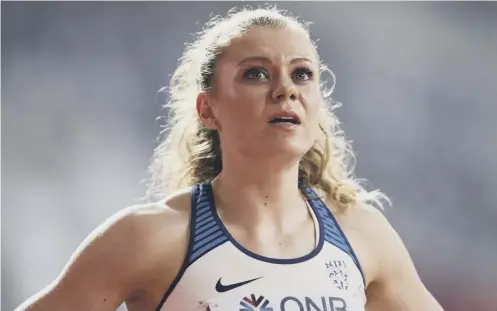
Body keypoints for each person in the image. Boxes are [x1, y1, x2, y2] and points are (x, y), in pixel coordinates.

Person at [16, 7, 444, 311]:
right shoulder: (152, 237)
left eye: (302, 74)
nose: (285, 90)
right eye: (256, 73)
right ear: (208, 110)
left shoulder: (361, 235)